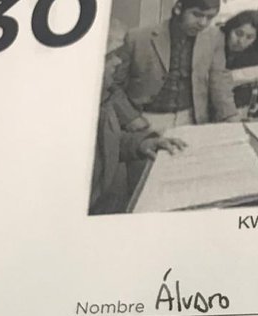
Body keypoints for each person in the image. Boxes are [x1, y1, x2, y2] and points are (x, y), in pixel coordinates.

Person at [90, 23, 186, 215]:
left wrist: (142, 143)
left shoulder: (104, 98)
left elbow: (107, 142)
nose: (118, 62)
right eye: (110, 56)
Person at [122, 0, 239, 135]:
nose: (203, 23)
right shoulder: (137, 37)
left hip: (191, 120)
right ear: (178, 8)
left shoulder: (214, 37)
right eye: (197, 14)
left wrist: (231, 116)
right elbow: (113, 86)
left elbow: (219, 81)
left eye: (210, 17)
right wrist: (130, 117)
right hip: (146, 119)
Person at [221, 10, 258, 110]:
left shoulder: (257, 58)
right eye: (238, 33)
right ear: (230, 29)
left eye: (249, 37)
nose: (241, 41)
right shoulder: (214, 48)